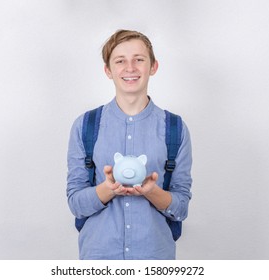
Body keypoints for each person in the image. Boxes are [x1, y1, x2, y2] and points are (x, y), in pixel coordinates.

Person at [66, 29, 193, 260]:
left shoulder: (175, 128)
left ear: (153, 67)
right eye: (120, 61)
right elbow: (76, 204)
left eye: (139, 59)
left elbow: (181, 207)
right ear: (108, 70)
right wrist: (108, 188)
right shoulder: (85, 126)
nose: (130, 68)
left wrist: (152, 191)